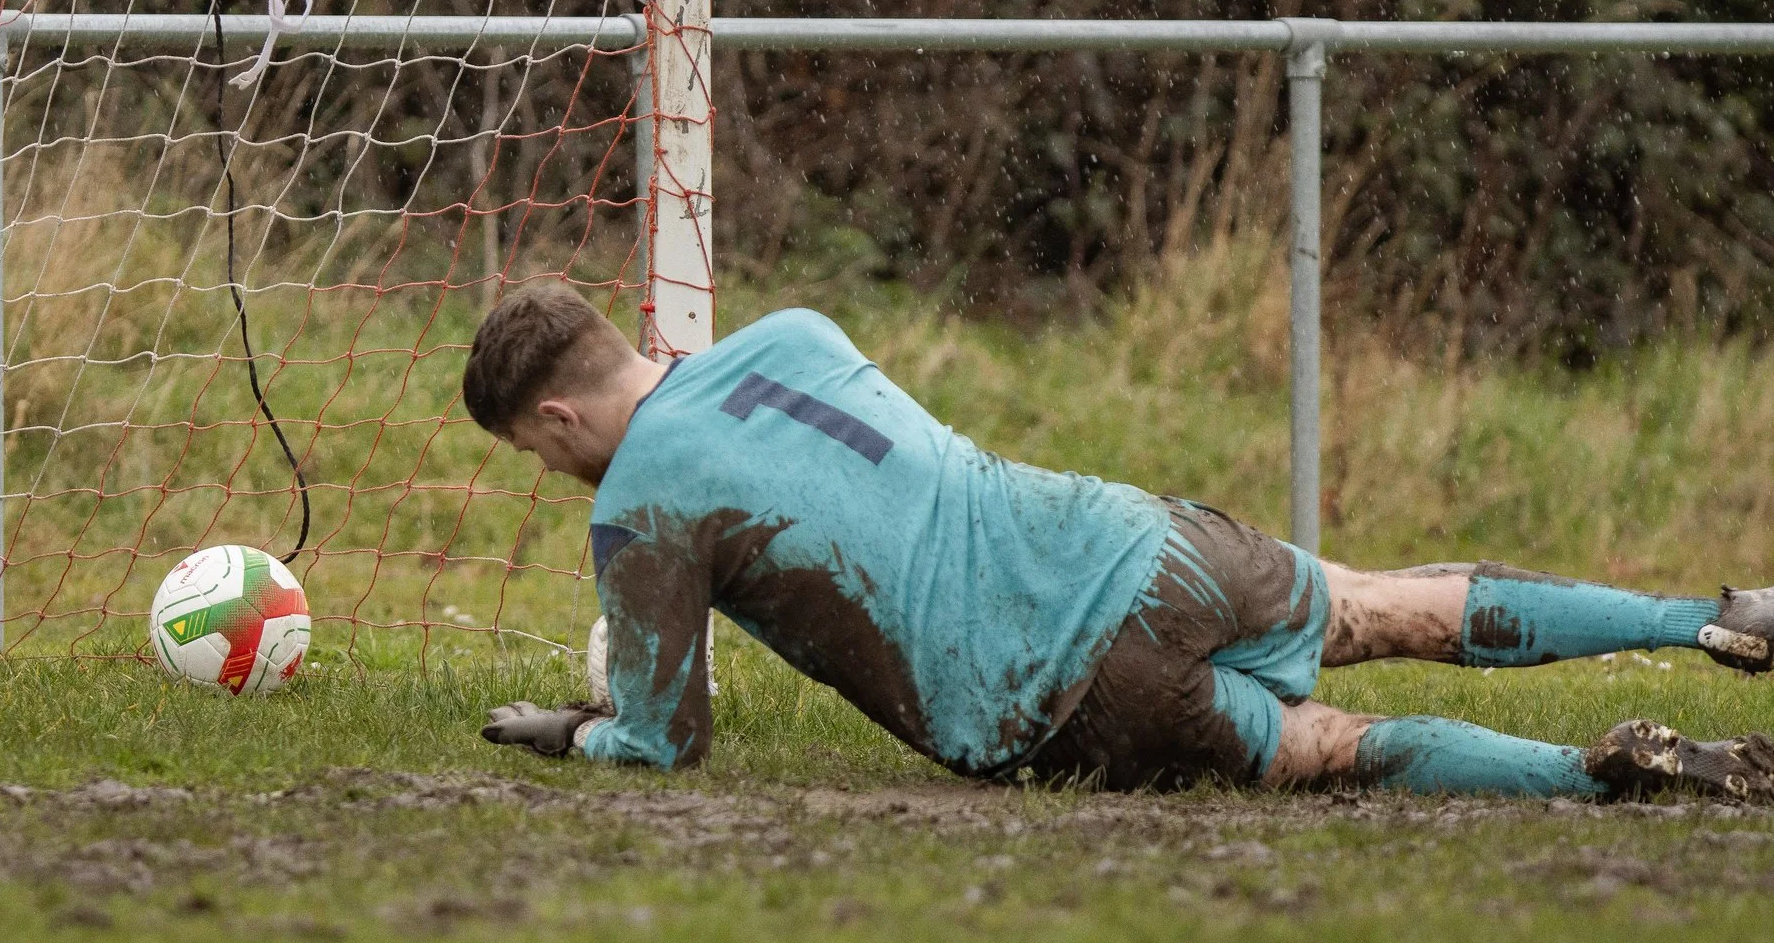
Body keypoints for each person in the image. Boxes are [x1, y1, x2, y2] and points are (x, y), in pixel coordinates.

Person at [465, 282, 1774, 798]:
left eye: (537, 444)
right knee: (1390, 606)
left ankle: (1599, 775)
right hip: (1134, 537)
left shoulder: (639, 508)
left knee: (1335, 748)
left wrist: (577, 724)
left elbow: (664, 735)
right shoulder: (793, 332)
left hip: (1055, 689)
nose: (552, 465)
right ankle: (1706, 614)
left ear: (561, 411)